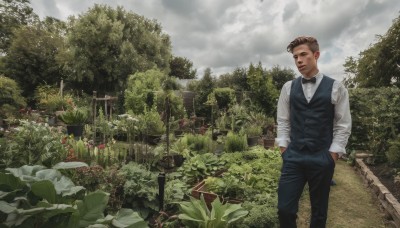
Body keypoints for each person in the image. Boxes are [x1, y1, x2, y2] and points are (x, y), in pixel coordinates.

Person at [276, 36, 351, 228]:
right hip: (294, 157)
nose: (299, 60)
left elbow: (343, 124)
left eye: (303, 55)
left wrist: (333, 155)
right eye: (295, 57)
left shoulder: (336, 87)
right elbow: (283, 121)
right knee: (285, 209)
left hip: (321, 157)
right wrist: (284, 148)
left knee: (319, 212)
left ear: (316, 55)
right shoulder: (288, 88)